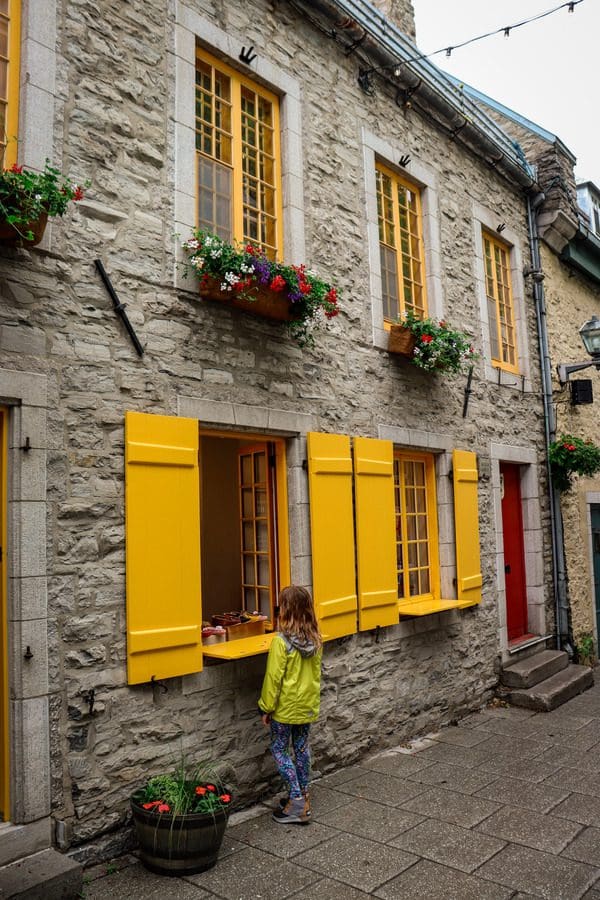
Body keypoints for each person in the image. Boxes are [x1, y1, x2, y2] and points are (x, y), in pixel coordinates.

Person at [258, 585, 322, 825]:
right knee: (302, 748)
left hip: (285, 709)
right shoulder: (316, 640)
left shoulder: (281, 643)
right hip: (306, 706)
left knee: (279, 750)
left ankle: (296, 802)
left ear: (285, 610)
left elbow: (273, 679)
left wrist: (266, 707)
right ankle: (304, 795)